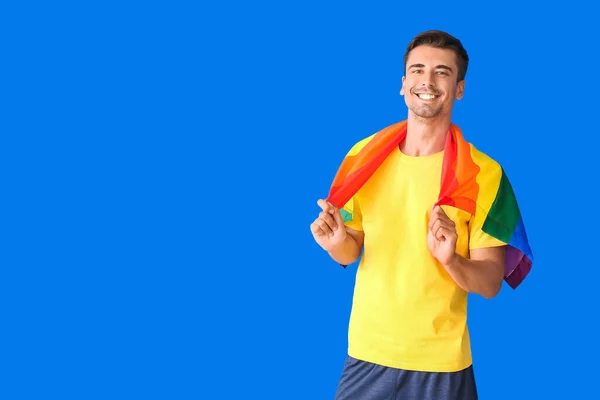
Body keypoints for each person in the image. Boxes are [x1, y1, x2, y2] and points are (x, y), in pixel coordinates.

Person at [310, 30, 532, 400]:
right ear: (402, 84)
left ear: (459, 88)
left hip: (441, 364)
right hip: (368, 352)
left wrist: (450, 260)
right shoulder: (362, 158)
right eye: (418, 70)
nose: (427, 81)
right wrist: (336, 243)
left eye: (442, 72)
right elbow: (352, 252)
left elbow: (491, 283)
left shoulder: (484, 173)